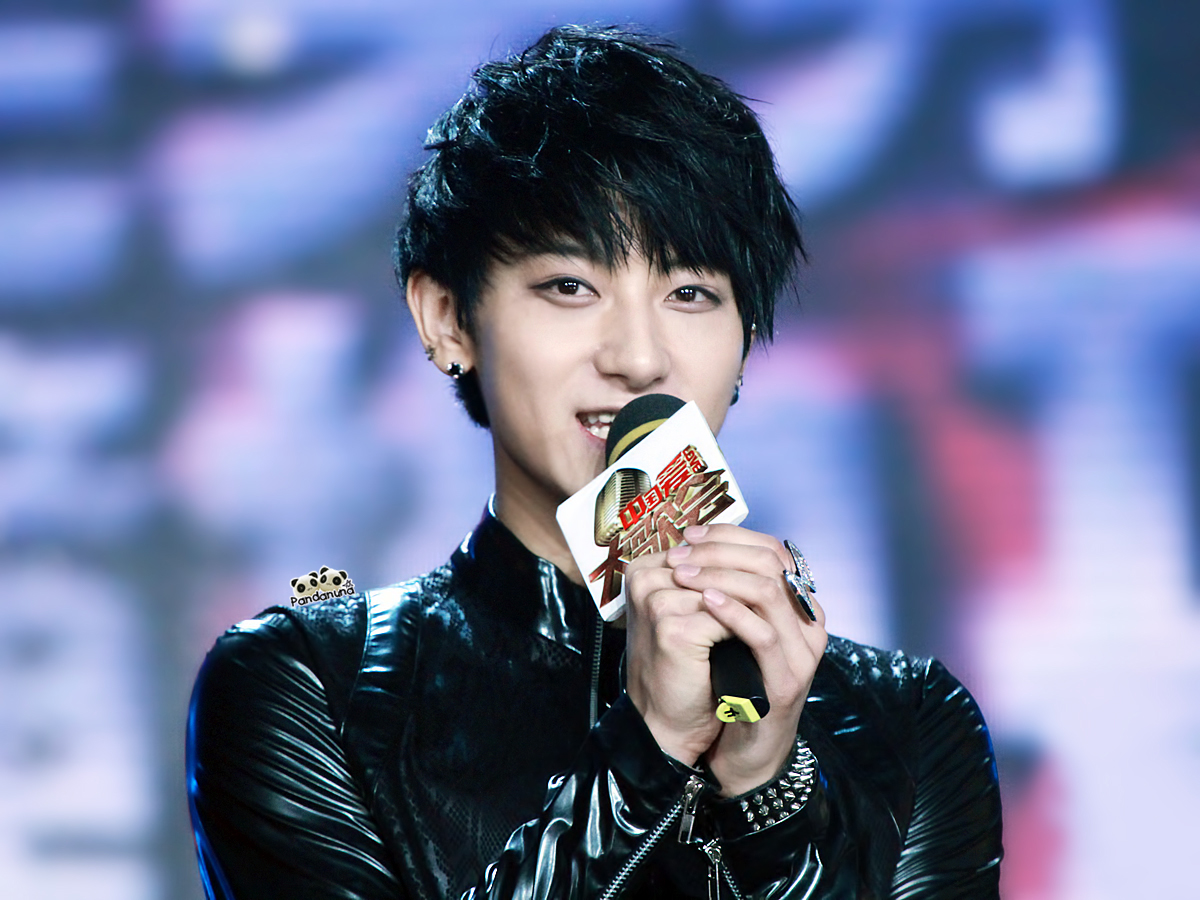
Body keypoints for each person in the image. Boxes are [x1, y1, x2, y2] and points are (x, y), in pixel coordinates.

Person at [186, 25, 1003, 899]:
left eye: (690, 293)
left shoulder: (909, 723)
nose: (639, 358)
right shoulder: (312, 688)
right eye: (571, 287)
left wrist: (766, 798)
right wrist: (646, 750)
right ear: (448, 319)